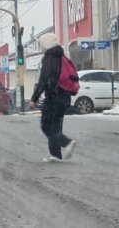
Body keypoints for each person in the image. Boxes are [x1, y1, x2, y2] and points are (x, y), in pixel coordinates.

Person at [29, 33, 76, 162]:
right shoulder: (62, 57)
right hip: (65, 97)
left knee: (46, 125)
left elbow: (43, 80)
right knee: (55, 126)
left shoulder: (49, 58)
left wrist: (34, 98)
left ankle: (66, 143)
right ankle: (56, 155)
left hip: (54, 97)